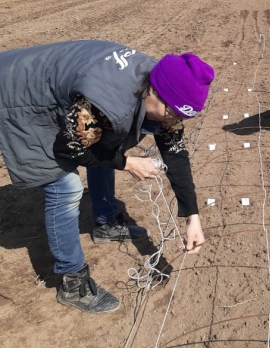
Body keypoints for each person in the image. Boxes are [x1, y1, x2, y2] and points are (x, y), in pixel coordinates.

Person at [0, 40, 215, 314]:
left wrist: (192, 217)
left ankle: (105, 223)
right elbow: (73, 148)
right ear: (153, 90)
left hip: (60, 86)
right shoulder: (104, 102)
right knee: (64, 187)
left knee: (108, 142)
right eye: (171, 113)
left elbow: (175, 155)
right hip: (18, 95)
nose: (172, 121)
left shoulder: (164, 91)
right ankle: (73, 282)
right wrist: (126, 163)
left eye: (181, 117)